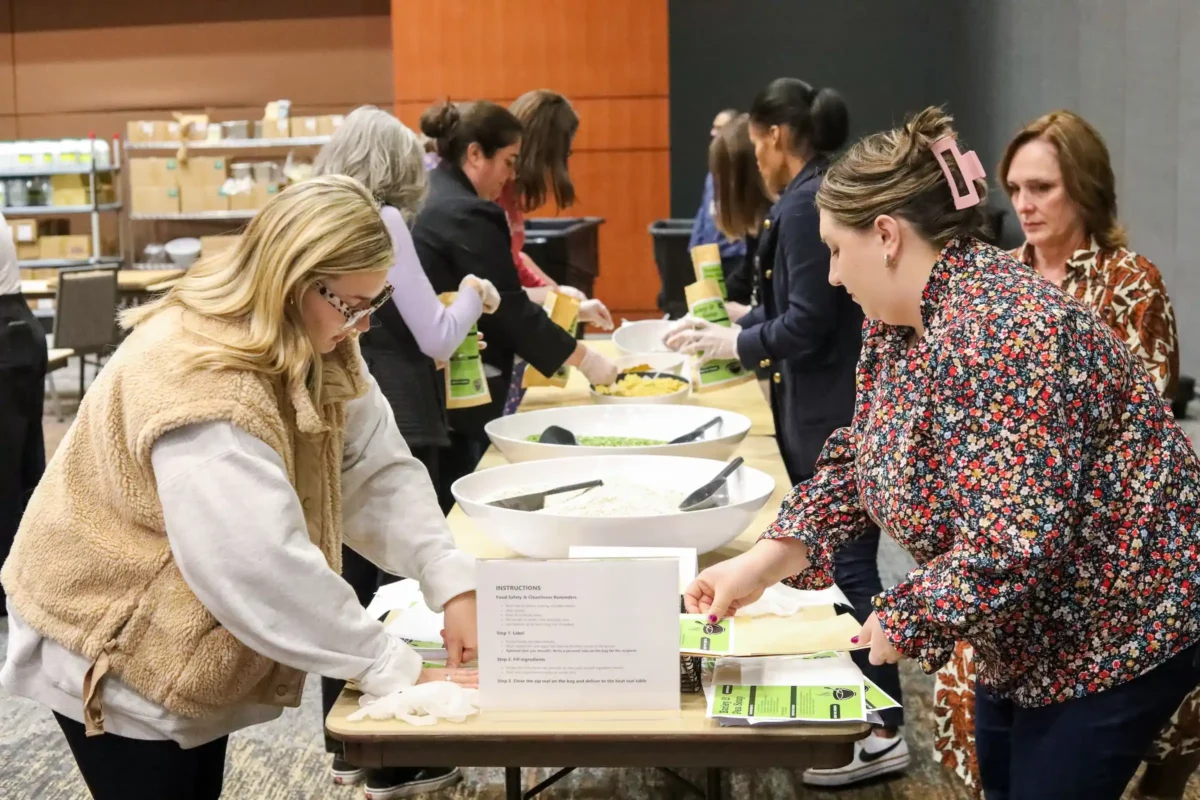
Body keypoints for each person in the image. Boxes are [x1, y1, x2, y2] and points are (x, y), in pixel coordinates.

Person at [684, 107, 1200, 800]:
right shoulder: (903, 319)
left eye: (837, 250)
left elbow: (1016, 536)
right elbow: (860, 459)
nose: (833, 276)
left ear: (889, 236)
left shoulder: (1010, 331)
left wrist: (906, 615)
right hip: (1022, 628)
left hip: (1114, 628)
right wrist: (763, 561)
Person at [0, 176, 479, 800]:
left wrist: (449, 577)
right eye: (354, 305)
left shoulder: (319, 334)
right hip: (114, 640)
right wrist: (389, 666)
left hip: (185, 637)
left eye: (375, 303)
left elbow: (373, 466)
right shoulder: (200, 379)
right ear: (297, 281)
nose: (363, 325)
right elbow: (256, 565)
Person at [932, 109, 1188, 800]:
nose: (1024, 204)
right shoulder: (997, 279)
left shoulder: (1130, 282)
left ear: (1085, 188)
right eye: (1015, 188)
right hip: (1007, 556)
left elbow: (1139, 442)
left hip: (1099, 563)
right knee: (982, 719)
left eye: (1042, 187)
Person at [666, 78, 908, 787]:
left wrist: (736, 342)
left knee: (855, 567)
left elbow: (808, 320)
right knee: (842, 558)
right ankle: (874, 711)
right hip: (825, 412)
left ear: (772, 135)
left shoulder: (807, 204)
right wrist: (742, 322)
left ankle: (883, 723)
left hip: (829, 408)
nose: (838, 273)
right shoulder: (805, 199)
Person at [311, 107, 497, 796]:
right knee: (381, 594)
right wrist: (476, 296)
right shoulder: (382, 223)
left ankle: (351, 743)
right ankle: (383, 740)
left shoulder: (326, 219)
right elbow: (437, 337)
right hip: (398, 416)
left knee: (349, 584)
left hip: (357, 421)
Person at [412, 100, 618, 493]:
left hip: (438, 371)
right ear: (475, 154)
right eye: (508, 161)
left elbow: (494, 291)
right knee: (464, 486)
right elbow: (509, 309)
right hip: (457, 380)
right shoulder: (468, 210)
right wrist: (586, 360)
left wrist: (556, 300)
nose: (511, 175)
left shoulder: (434, 193)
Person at [500, 89, 614, 414]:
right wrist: (555, 299)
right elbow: (498, 290)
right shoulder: (493, 196)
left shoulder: (510, 195)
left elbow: (514, 257)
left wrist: (561, 297)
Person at [0, 213, 46, 617]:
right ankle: (26, 580)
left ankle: (11, 587)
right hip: (16, 332)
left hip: (7, 338)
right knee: (21, 469)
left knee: (9, 473)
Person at [689, 108, 746, 282]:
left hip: (736, 258)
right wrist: (695, 246)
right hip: (708, 259)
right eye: (713, 127)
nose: (713, 132)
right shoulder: (712, 175)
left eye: (719, 127)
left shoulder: (744, 174)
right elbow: (704, 212)